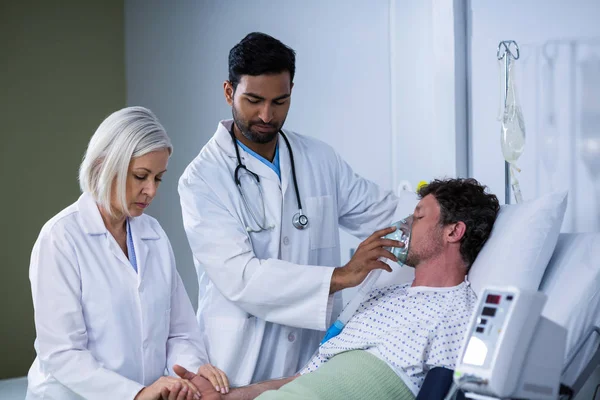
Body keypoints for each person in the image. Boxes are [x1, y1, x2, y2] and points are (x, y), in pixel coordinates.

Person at [178, 32, 402, 386]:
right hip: (238, 363)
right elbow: (241, 278)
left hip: (311, 361)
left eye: (279, 101)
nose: (266, 115)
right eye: (253, 100)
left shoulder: (319, 159)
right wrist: (340, 276)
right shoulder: (202, 179)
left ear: (291, 92)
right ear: (228, 92)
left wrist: (444, 213)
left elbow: (386, 214)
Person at [175, 178, 500, 400]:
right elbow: (303, 379)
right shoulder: (380, 296)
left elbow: (442, 392)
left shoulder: (463, 313)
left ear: (453, 231)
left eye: (418, 217)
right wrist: (226, 396)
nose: (404, 225)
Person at [26, 107, 229, 400]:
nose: (151, 190)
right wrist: (135, 394)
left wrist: (191, 371)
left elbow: (180, 331)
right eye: (141, 176)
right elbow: (62, 353)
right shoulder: (61, 238)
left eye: (158, 178)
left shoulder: (153, 234)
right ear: (104, 165)